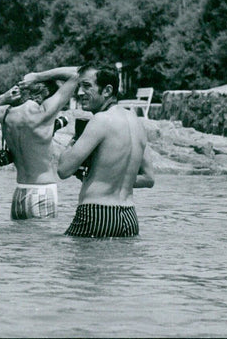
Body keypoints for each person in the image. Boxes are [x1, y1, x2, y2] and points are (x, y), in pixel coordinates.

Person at [0, 66, 79, 219]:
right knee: (41, 243)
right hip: (42, 191)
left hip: (19, 193)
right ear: (48, 95)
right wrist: (38, 76)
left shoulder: (5, 113)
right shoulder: (44, 113)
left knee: (19, 242)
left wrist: (2, 98)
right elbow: (77, 74)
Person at [57, 64, 154, 237]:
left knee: (68, 261)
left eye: (87, 86)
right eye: (79, 86)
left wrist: (73, 141)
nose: (79, 93)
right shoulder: (137, 123)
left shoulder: (101, 120)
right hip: (129, 216)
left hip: (96, 213)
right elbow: (148, 178)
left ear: (107, 90)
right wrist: (108, 178)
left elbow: (64, 170)